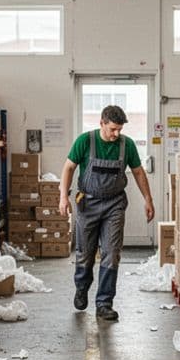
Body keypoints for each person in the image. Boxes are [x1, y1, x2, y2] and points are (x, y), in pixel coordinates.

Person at [58, 104, 155, 321]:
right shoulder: (85, 141)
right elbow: (68, 168)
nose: (116, 134)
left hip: (114, 205)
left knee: (112, 254)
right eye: (112, 129)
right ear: (101, 123)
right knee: (85, 253)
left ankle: (104, 303)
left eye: (120, 129)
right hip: (87, 204)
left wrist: (148, 199)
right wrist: (63, 196)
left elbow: (139, 173)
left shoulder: (126, 145)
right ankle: (82, 288)